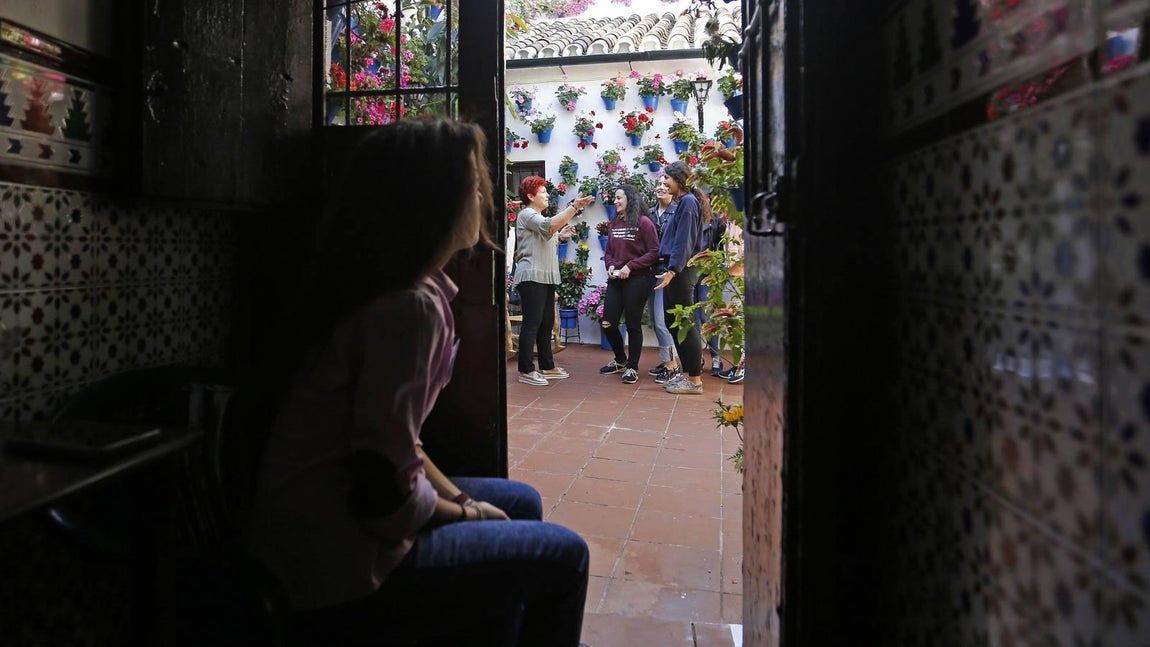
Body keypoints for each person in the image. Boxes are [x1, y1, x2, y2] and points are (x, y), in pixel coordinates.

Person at [249, 119, 590, 647]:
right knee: (565, 556)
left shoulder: (408, 289)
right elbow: (380, 484)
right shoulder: (407, 309)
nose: (485, 198)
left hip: (334, 519)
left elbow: (398, 441)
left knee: (518, 502)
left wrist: (460, 501)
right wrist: (463, 512)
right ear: (432, 203)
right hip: (345, 560)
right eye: (473, 185)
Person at [512, 176, 595, 386]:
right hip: (531, 275)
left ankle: (547, 367)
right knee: (532, 323)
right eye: (543, 192)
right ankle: (526, 370)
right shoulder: (527, 214)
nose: (547, 195)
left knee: (546, 321)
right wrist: (574, 207)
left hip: (545, 276)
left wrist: (561, 236)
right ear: (530, 196)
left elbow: (547, 237)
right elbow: (548, 227)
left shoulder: (536, 216)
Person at [654, 161, 712, 395]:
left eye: (667, 178)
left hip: (680, 271)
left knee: (685, 325)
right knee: (674, 323)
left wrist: (672, 270)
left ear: (679, 179)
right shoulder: (684, 202)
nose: (664, 183)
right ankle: (690, 375)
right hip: (677, 269)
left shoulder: (687, 202)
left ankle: (695, 381)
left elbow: (684, 241)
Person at [598, 184, 660, 385]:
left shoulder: (644, 223)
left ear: (630, 200)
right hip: (616, 278)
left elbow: (654, 252)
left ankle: (632, 367)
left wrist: (630, 267)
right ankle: (621, 360)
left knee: (633, 324)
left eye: (618, 198)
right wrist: (610, 266)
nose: (614, 201)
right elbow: (609, 252)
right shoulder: (615, 223)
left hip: (639, 279)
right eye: (615, 198)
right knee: (608, 322)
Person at [645, 181, 680, 383]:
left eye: (664, 184)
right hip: (649, 270)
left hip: (667, 271)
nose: (660, 187)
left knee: (661, 320)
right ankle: (668, 359)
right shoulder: (649, 213)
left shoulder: (677, 212)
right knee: (654, 318)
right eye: (657, 184)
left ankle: (672, 366)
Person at [696, 210, 727, 376]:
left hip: (707, 273)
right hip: (687, 271)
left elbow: (723, 247)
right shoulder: (685, 216)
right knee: (692, 316)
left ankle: (716, 356)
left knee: (706, 316)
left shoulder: (715, 221)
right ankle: (697, 357)